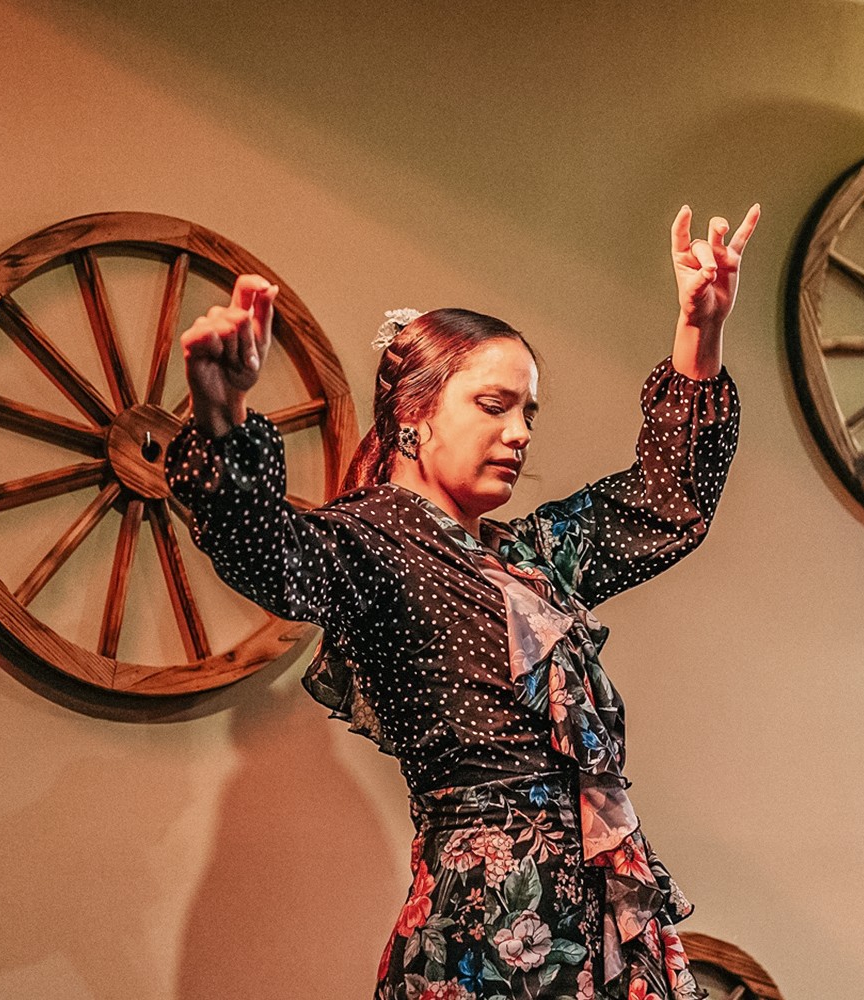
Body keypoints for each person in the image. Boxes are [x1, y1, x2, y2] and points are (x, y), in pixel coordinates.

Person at [163, 203, 760, 1000]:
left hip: (594, 916)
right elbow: (268, 551)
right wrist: (221, 414)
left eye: (528, 412)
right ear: (414, 414)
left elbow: (664, 502)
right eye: (494, 404)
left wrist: (700, 330)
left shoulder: (532, 559)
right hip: (489, 931)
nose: (519, 433)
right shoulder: (375, 543)